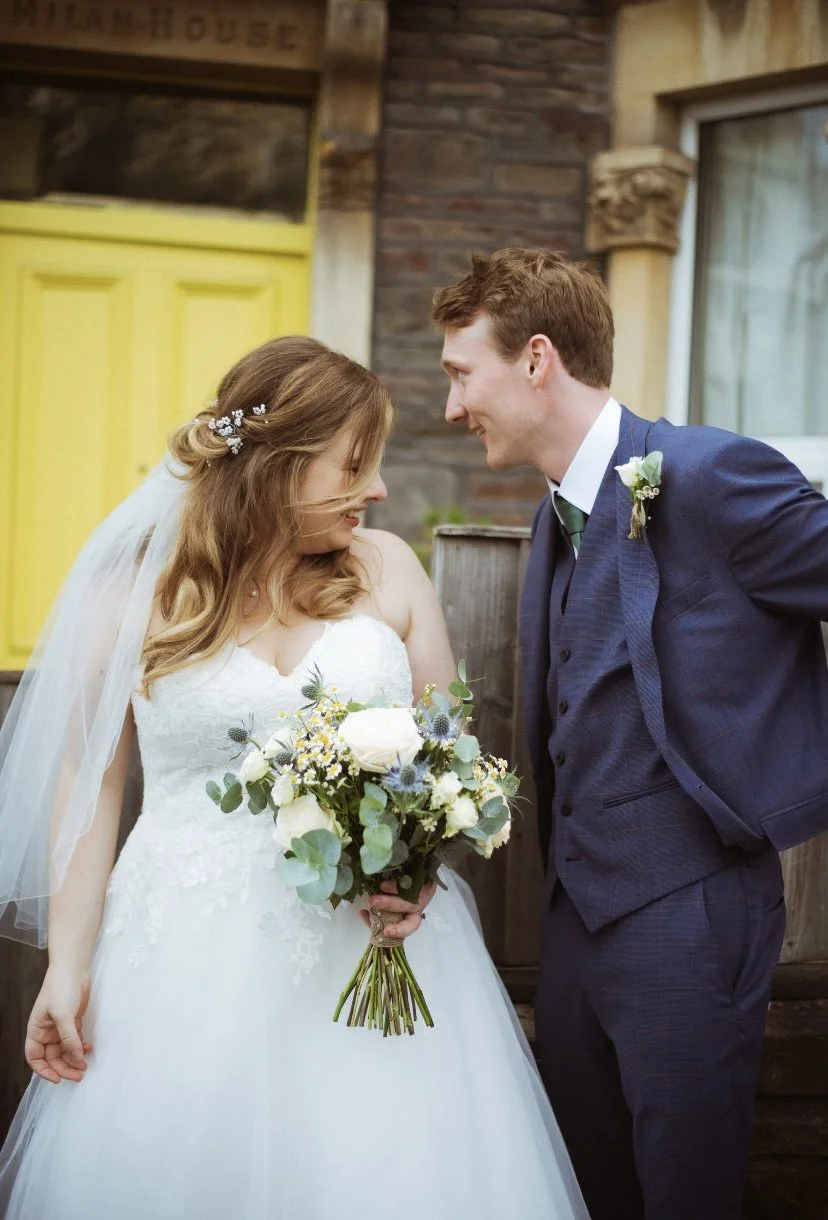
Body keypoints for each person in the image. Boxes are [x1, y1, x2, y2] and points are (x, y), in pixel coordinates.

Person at [0, 335, 587, 1220]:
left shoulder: (388, 569)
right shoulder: (133, 595)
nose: (380, 489)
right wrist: (67, 969)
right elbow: (90, 788)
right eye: (355, 465)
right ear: (275, 466)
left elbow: (447, 753)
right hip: (180, 960)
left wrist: (418, 870)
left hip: (372, 950)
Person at [433, 248, 828, 1220]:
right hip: (575, 921)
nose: (451, 407)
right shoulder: (548, 520)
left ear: (535, 360)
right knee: (587, 1191)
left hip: (690, 906)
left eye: (459, 373)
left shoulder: (705, 471)